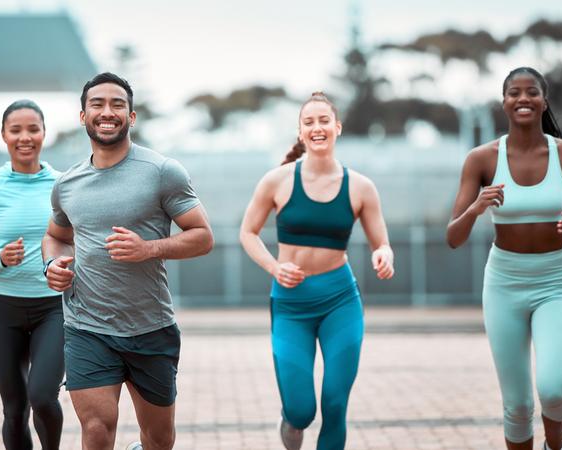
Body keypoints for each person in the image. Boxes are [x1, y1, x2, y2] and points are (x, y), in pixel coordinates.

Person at [42, 72, 214, 450]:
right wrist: (52, 265)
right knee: (97, 429)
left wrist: (150, 248)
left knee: (158, 438)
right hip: (87, 326)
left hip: (150, 327)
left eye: (117, 104)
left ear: (131, 117)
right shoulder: (67, 184)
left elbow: (203, 237)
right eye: (98, 104)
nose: (108, 112)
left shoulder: (162, 171)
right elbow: (56, 236)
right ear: (83, 115)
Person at [447, 67, 562, 450]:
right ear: (503, 103)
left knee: (553, 388)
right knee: (516, 404)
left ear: (544, 101)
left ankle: (556, 447)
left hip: (556, 282)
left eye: (531, 92)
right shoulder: (481, 159)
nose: (522, 99)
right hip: (504, 284)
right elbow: (453, 236)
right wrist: (476, 208)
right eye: (513, 93)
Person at [240, 92, 395, 450]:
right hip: (291, 304)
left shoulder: (361, 187)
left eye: (324, 120)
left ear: (337, 127)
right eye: (309, 122)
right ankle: (291, 425)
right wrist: (275, 267)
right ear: (300, 132)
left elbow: (381, 242)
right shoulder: (276, 181)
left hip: (340, 300)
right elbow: (247, 233)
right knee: (300, 410)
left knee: (335, 404)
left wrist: (384, 255)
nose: (317, 127)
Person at [0, 100, 64, 450]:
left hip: (54, 308)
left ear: (44, 133)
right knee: (14, 409)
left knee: (44, 397)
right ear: (3, 135)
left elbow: (80, 242)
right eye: (15, 129)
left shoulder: (63, 185)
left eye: (33, 128)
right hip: (3, 309)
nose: (25, 137)